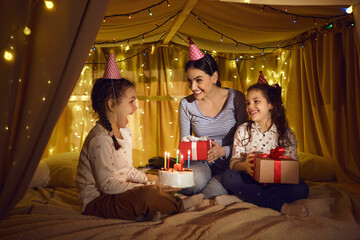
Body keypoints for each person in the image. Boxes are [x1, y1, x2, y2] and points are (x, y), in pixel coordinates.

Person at [76, 52, 204, 221]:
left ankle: (148, 213)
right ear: (112, 105)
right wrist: (147, 185)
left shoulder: (124, 134)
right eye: (131, 101)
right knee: (146, 195)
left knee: (152, 189)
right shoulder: (99, 139)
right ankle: (179, 205)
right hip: (98, 202)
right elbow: (107, 185)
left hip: (119, 195)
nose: (135, 108)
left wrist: (151, 178)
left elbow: (127, 170)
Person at [221, 74, 309, 217]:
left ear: (271, 104)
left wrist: (276, 168)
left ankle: (249, 196)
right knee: (228, 176)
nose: (250, 107)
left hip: (276, 183)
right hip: (249, 179)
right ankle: (281, 206)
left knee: (302, 189)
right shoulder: (243, 130)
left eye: (256, 101)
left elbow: (292, 167)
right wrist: (244, 166)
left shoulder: (285, 133)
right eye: (248, 103)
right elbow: (233, 163)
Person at [179, 38, 248, 199]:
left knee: (212, 194)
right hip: (201, 164)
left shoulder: (236, 98)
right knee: (190, 184)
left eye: (198, 80)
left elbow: (246, 142)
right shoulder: (186, 104)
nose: (193, 87)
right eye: (190, 81)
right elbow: (184, 143)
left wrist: (222, 151)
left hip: (229, 166)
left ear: (214, 77)